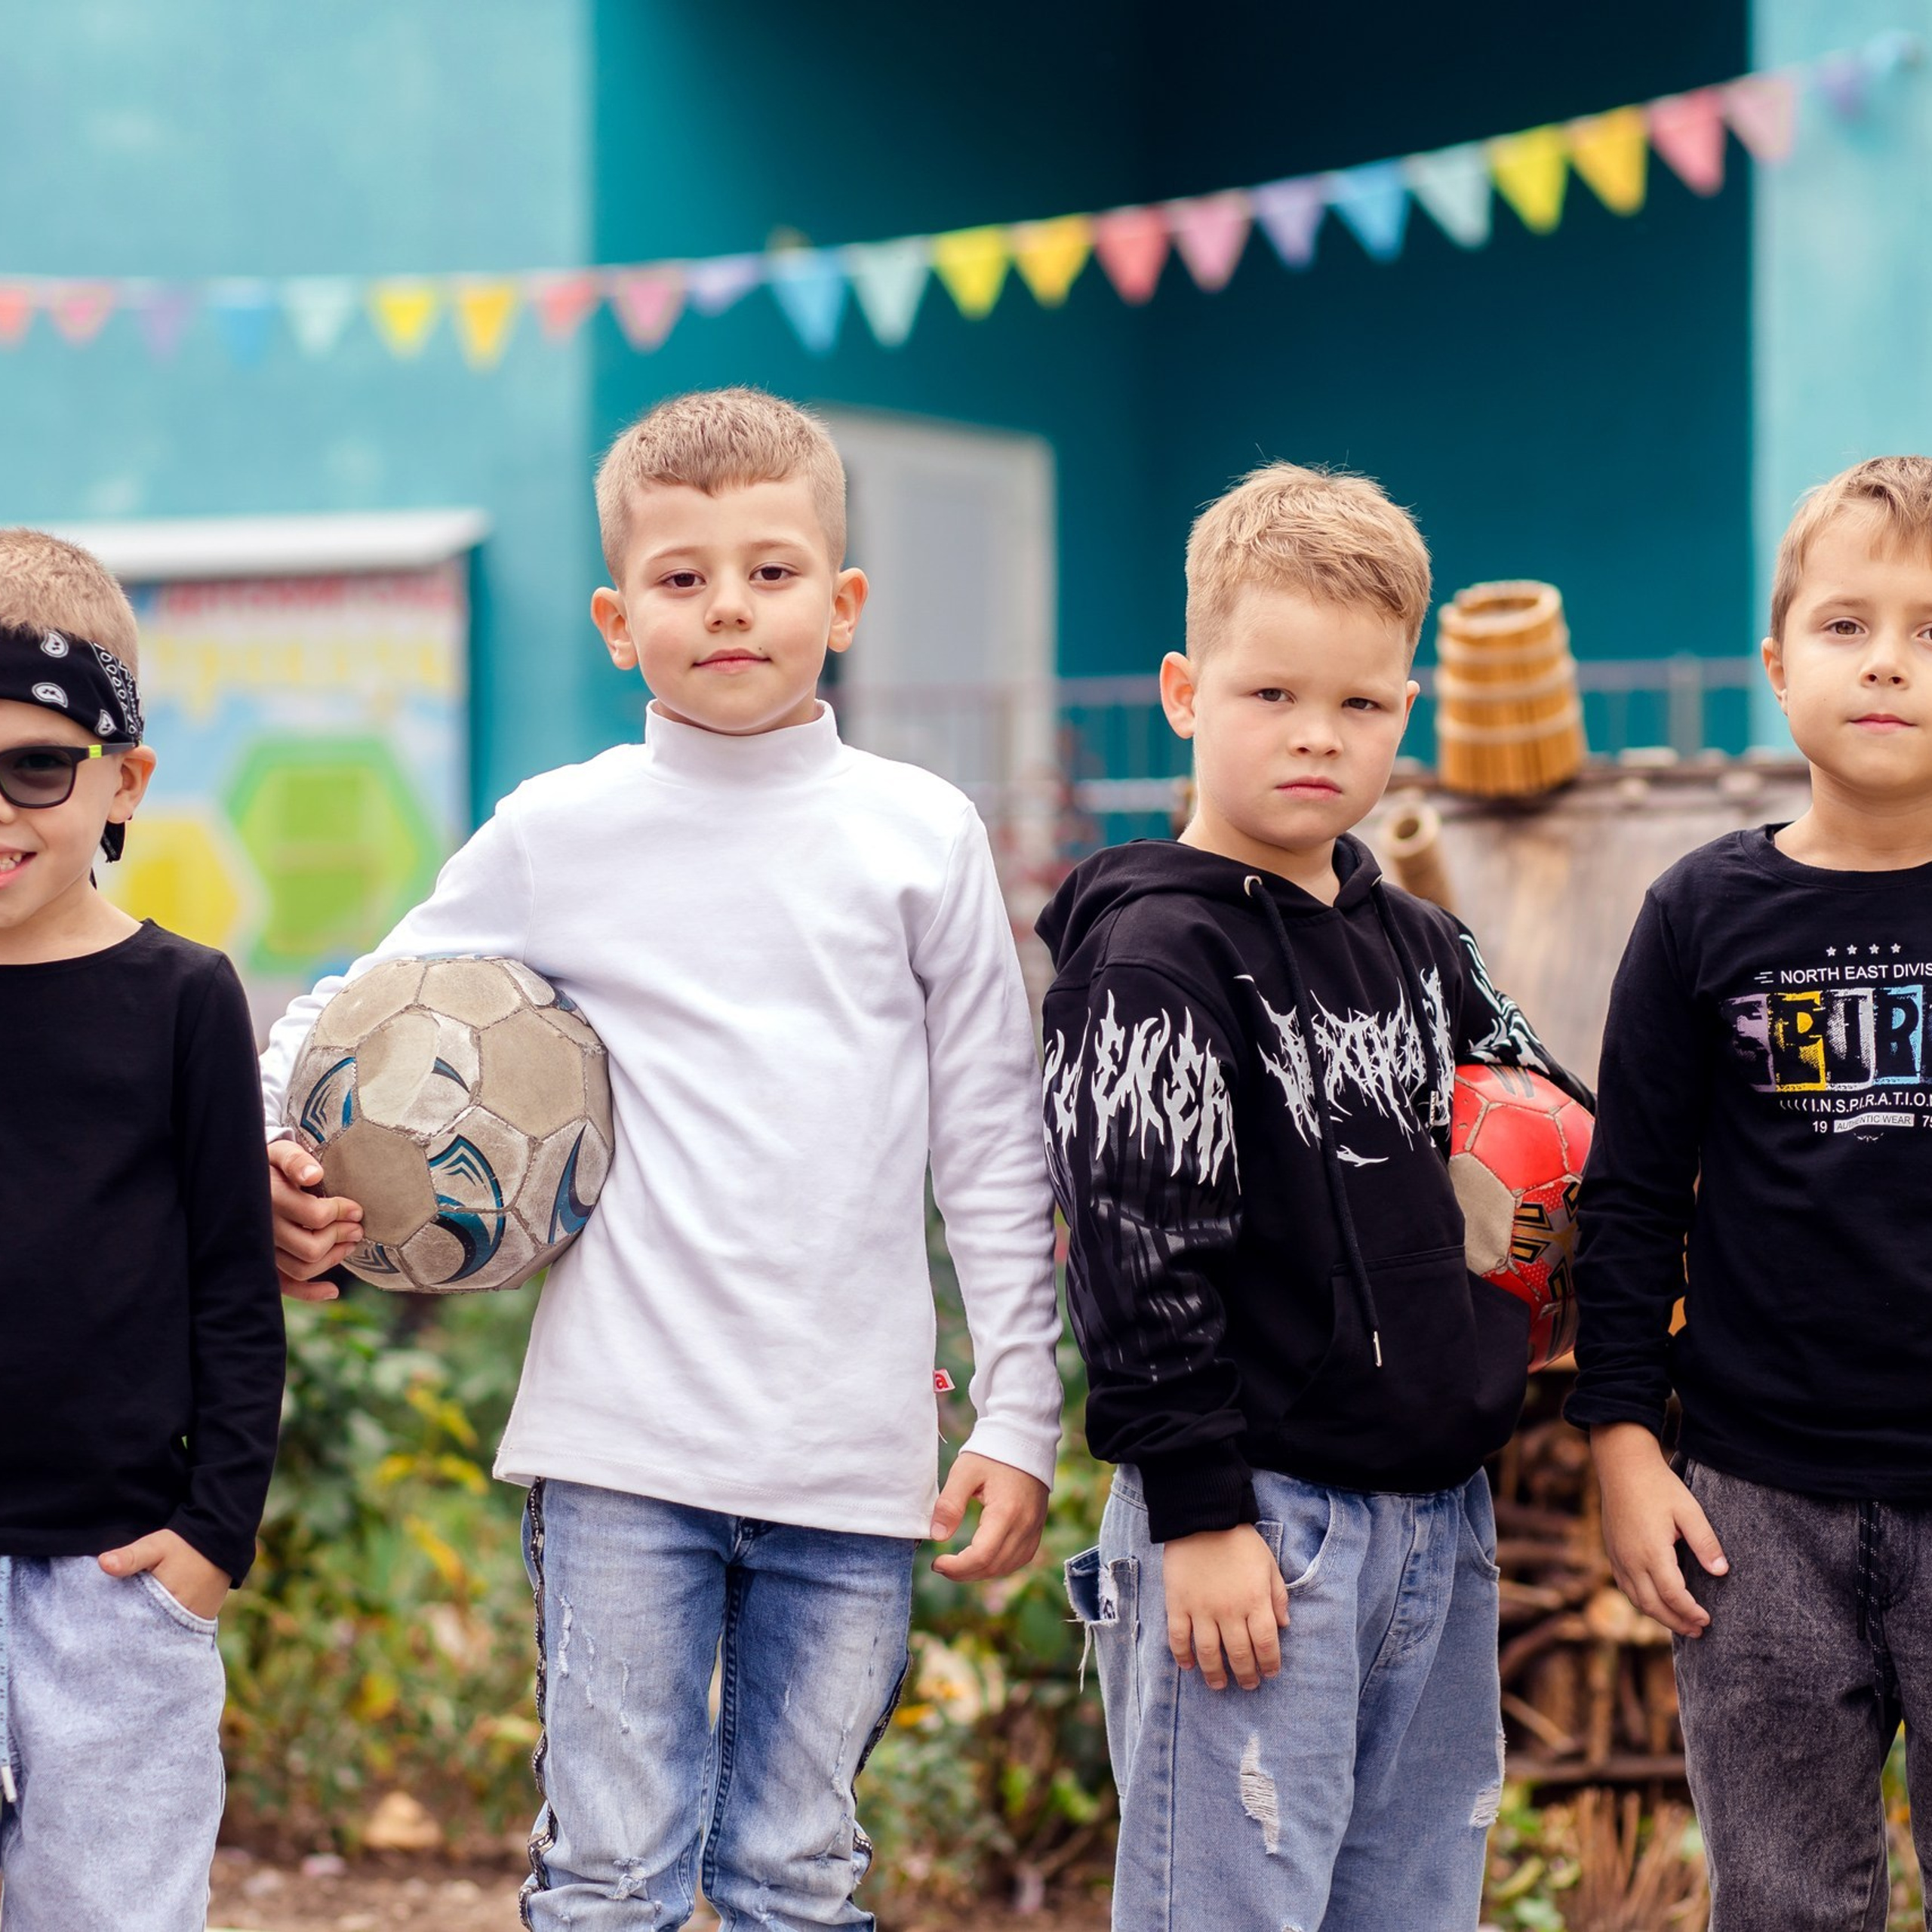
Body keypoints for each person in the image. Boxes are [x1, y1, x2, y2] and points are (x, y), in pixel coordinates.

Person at [258, 388, 1063, 1930]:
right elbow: (361, 1011)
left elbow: (987, 1133)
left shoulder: (919, 833)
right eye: (682, 578)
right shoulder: (560, 831)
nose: (728, 607)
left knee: (792, 1870)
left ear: (841, 603)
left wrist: (1021, 1406)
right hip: (622, 1442)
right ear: (618, 621)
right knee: (608, 1869)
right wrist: (267, 1121)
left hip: (850, 1450)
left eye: (770, 571)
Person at [1040, 463, 1586, 1931]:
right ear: (1180, 687)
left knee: (1411, 1909)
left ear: (1403, 710)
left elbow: (1553, 1118)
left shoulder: (1419, 942)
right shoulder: (1149, 953)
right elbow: (1131, 1242)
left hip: (1437, 1520)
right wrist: (1199, 1505)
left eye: (1357, 705)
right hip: (1256, 1522)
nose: (1313, 737)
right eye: (1269, 693)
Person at [1571, 454, 1932, 1929]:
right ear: (1775, 666)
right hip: (1751, 1505)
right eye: (1845, 625)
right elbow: (1629, 1198)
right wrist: (1618, 1440)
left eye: (1926, 628)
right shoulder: (1696, 914)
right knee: (1782, 1903)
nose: (1889, 661)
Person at [0, 530, 285, 1931]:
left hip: (117, 1590)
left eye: (34, 766)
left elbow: (237, 1283)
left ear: (124, 780)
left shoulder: (184, 998)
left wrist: (210, 1544)